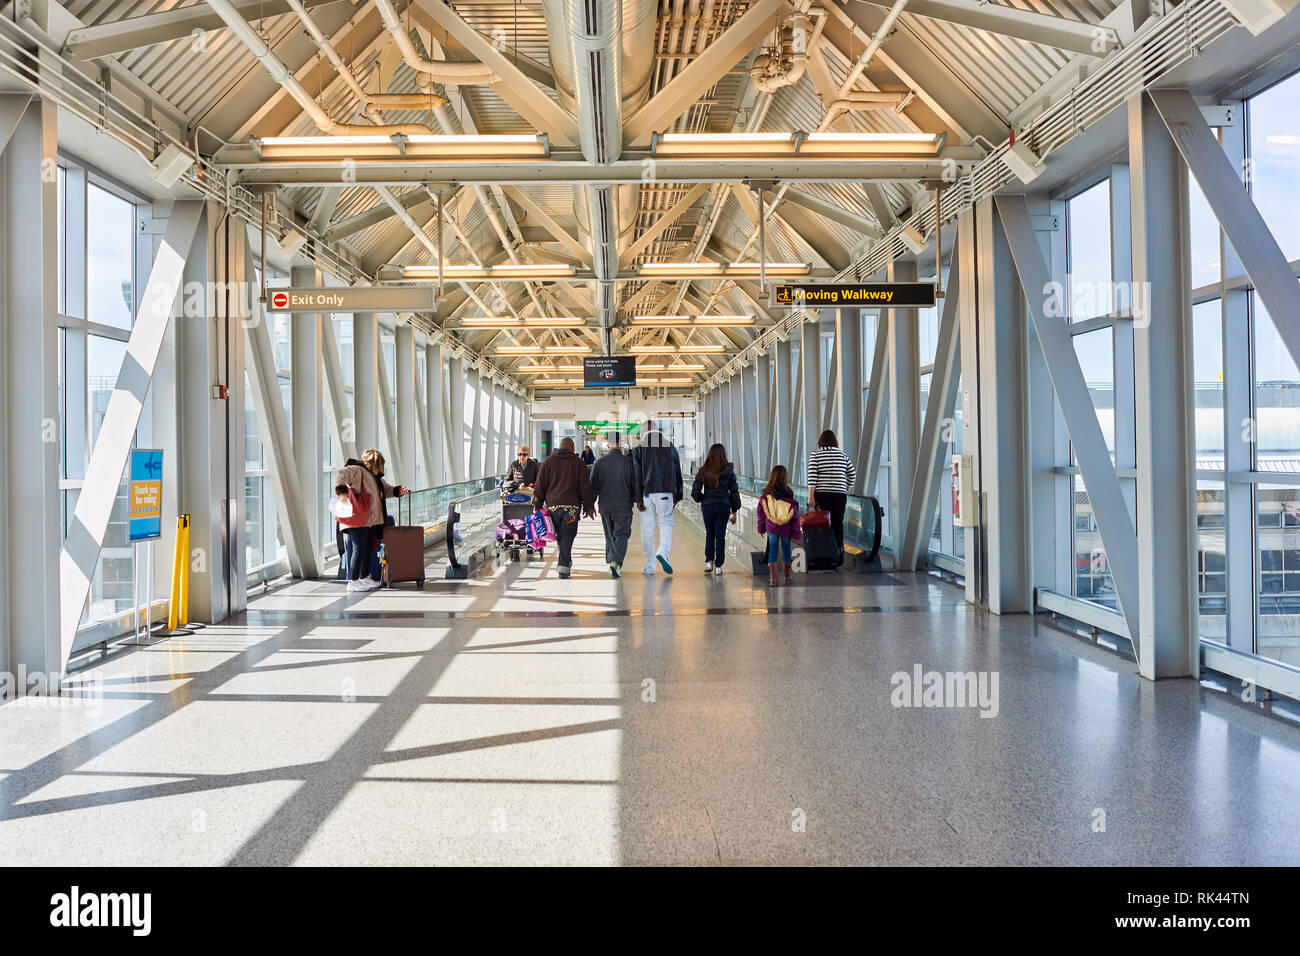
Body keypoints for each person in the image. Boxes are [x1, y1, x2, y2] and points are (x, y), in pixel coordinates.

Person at [335, 448, 405, 592]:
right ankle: (353, 581)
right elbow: (341, 475)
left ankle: (364, 577)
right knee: (358, 548)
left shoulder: (375, 478)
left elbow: (386, 490)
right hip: (357, 518)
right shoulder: (357, 469)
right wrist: (342, 494)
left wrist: (397, 491)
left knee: (366, 548)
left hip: (368, 520)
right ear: (375, 464)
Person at [531, 437, 596, 579]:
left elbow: (540, 485)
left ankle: (565, 561)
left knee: (561, 535)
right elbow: (585, 487)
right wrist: (589, 506)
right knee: (567, 535)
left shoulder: (548, 462)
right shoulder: (578, 463)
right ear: (572, 447)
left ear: (559, 447)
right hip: (572, 509)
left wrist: (537, 505)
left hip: (553, 507)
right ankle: (564, 566)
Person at [632, 425, 683, 575]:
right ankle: (663, 551)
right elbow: (677, 471)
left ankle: (650, 565)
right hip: (666, 492)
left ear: (643, 433)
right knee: (666, 523)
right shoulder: (670, 446)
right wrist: (678, 495)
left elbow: (637, 475)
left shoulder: (639, 448)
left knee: (647, 530)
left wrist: (638, 498)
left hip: (647, 494)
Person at [589, 434, 636, 578]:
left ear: (607, 445)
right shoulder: (629, 463)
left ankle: (611, 560)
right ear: (621, 444)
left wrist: (590, 505)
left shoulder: (599, 463)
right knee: (621, 534)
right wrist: (638, 499)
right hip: (624, 505)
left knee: (610, 535)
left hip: (605, 506)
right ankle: (615, 562)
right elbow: (635, 484)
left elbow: (593, 487)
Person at [807, 429, 857, 562]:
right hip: (840, 495)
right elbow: (852, 474)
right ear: (835, 441)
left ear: (820, 441)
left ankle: (824, 553)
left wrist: (810, 497)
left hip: (822, 494)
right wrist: (845, 488)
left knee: (823, 523)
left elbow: (812, 477)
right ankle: (839, 553)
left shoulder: (816, 455)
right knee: (837, 523)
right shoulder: (842, 455)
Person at [691, 443, 740, 576]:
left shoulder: (703, 470)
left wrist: (703, 498)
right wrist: (734, 509)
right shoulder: (729, 471)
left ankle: (709, 562)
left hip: (708, 506)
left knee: (710, 534)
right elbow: (734, 491)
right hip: (724, 506)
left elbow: (695, 492)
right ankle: (719, 566)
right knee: (720, 536)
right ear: (723, 455)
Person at [756, 465, 801, 588]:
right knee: (786, 549)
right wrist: (796, 530)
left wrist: (761, 528)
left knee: (773, 550)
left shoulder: (766, 493)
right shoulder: (789, 492)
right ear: (784, 477)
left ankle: (773, 579)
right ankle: (787, 577)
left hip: (772, 527)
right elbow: (794, 513)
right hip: (786, 528)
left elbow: (760, 512)